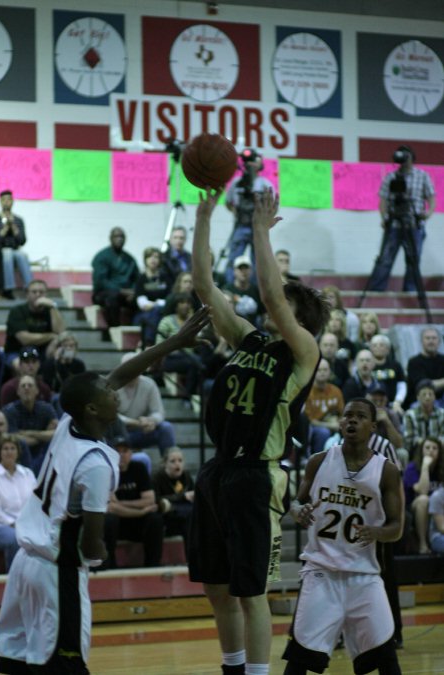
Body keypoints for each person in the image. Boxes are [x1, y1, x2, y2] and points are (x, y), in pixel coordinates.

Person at [0, 305, 211, 675]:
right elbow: (93, 540)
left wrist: (172, 343)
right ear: (94, 407)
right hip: (56, 569)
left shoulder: (68, 424)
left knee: (23, 661)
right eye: (109, 394)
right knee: (66, 664)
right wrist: (97, 550)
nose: (118, 393)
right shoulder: (96, 462)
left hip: (26, 563)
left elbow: (122, 373)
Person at [188, 188, 330, 675]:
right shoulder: (250, 339)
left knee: (251, 593)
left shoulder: (303, 352)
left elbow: (271, 292)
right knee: (217, 586)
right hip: (218, 471)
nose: (272, 299)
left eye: (284, 301)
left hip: (256, 476)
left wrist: (260, 230)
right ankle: (232, 669)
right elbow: (205, 287)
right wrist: (205, 217)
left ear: (299, 316)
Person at [282, 398, 404, 675]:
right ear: (340, 422)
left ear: (373, 427)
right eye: (348, 415)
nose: (352, 420)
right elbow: (296, 503)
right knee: (300, 657)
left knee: (386, 656)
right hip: (321, 573)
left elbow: (396, 528)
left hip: (364, 576)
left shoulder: (386, 471)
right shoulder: (319, 461)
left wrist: (377, 532)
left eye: (360, 417)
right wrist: (298, 512)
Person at [368, 145, 435, 292]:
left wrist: (428, 213)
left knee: (413, 260)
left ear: (412, 158)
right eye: (401, 156)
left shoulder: (422, 176)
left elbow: (431, 197)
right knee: (385, 259)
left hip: (414, 224)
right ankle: (376, 290)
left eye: (406, 156)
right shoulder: (391, 177)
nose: (403, 160)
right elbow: (383, 200)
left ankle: (410, 290)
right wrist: (384, 217)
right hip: (394, 225)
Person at [103, 437, 164, 568]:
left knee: (156, 519)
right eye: (117, 451)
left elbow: (149, 500)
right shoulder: (106, 471)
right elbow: (111, 507)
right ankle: (109, 566)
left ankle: (152, 566)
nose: (121, 455)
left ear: (131, 453)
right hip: (118, 525)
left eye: (125, 451)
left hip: (136, 524)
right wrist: (141, 511)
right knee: (109, 520)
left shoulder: (139, 468)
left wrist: (121, 504)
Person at [224, 150, 274, 283]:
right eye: (247, 162)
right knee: (233, 259)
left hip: (258, 228)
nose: (250, 164)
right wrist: (235, 211)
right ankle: (230, 287)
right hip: (241, 225)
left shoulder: (265, 184)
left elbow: (273, 205)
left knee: (258, 261)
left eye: (253, 161)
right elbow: (228, 202)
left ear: (260, 164)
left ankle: (256, 290)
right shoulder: (236, 183)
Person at [117, 352, 176, 457]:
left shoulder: (149, 384)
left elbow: (159, 412)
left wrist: (151, 421)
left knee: (166, 428)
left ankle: (169, 464)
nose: (132, 370)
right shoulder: (113, 385)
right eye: (128, 366)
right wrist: (135, 422)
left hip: (141, 430)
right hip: (118, 433)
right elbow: (111, 415)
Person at [0, 434, 36, 571]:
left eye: (12, 448)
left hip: (26, 522)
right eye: (5, 448)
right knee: (14, 539)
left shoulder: (28, 474)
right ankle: (13, 579)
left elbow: (36, 502)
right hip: (0, 525)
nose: (9, 452)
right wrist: (14, 524)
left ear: (18, 452)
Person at [3, 279, 65, 370]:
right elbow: (25, 339)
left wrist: (53, 307)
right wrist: (51, 336)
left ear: (46, 295)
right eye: (34, 292)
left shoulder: (51, 311)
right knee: (21, 366)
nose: (38, 295)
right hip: (17, 352)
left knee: (60, 360)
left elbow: (61, 333)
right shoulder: (17, 311)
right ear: (27, 295)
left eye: (41, 292)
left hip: (43, 352)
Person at [3, 374, 59, 476]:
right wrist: (43, 436)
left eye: (30, 385)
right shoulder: (9, 411)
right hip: (18, 457)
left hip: (43, 454)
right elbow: (14, 439)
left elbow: (57, 433)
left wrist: (28, 433)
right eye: (23, 386)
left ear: (37, 391)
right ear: (18, 392)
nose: (26, 388)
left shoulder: (46, 408)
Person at [91, 227, 139, 328]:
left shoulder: (130, 259)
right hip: (104, 294)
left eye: (122, 236)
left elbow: (137, 279)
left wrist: (134, 291)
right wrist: (120, 291)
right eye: (116, 236)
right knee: (112, 298)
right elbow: (101, 281)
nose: (120, 239)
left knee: (141, 298)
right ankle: (114, 329)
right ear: (110, 238)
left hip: (127, 294)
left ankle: (136, 327)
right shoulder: (102, 256)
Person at [403, 436, 444, 554]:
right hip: (414, 509)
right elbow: (423, 491)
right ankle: (422, 543)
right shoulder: (412, 467)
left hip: (437, 511)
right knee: (424, 500)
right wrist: (425, 467)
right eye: (427, 447)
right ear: (421, 450)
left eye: (435, 448)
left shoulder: (441, 468)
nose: (431, 450)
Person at [153, 446, 195, 553]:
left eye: (180, 461)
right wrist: (183, 496)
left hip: (185, 515)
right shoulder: (157, 477)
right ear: (165, 463)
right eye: (173, 461)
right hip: (167, 515)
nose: (177, 464)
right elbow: (156, 499)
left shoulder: (186, 476)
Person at [0, 189, 33, 298]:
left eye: (9, 200)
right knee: (7, 254)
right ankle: (8, 289)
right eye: (4, 200)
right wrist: (6, 228)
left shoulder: (18, 220)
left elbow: (22, 241)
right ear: (0, 202)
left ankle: (30, 288)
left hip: (15, 249)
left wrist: (13, 226)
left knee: (23, 255)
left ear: (13, 201)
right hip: (1, 250)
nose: (7, 202)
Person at [304, 358, 344, 455]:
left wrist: (338, 423)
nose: (322, 373)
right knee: (323, 432)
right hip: (314, 427)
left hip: (335, 425)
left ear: (330, 372)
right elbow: (309, 421)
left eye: (325, 370)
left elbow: (342, 414)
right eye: (319, 370)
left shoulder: (336, 391)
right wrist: (330, 425)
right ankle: (318, 461)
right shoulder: (307, 392)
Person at [133, 246, 171, 347]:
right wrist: (159, 303)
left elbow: (170, 300)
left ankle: (148, 343)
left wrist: (155, 304)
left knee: (159, 312)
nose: (153, 259)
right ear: (145, 260)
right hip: (143, 315)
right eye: (150, 257)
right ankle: (149, 342)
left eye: (156, 257)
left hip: (162, 313)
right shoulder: (141, 279)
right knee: (155, 312)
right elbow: (143, 304)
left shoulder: (165, 278)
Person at [405, 327, 444, 408]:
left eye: (434, 338)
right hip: (420, 401)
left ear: (439, 341)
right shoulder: (414, 362)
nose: (431, 341)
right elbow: (424, 386)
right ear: (421, 341)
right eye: (427, 338)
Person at [403, 379, 444, 456]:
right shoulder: (409, 415)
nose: (427, 397)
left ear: (434, 396)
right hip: (417, 452)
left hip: (439, 452)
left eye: (430, 394)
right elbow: (409, 439)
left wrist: (432, 448)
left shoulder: (442, 414)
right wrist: (427, 447)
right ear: (418, 397)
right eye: (424, 394)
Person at [223, 255, 264, 327]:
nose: (243, 272)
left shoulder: (257, 291)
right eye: (240, 268)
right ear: (234, 271)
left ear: (251, 271)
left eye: (246, 268)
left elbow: (263, 314)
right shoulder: (227, 289)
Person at [369, 334, 406, 413]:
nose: (378, 347)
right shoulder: (367, 366)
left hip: (392, 405)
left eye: (381, 345)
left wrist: (397, 402)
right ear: (371, 349)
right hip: (371, 405)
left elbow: (402, 386)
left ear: (388, 349)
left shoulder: (396, 365)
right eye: (375, 345)